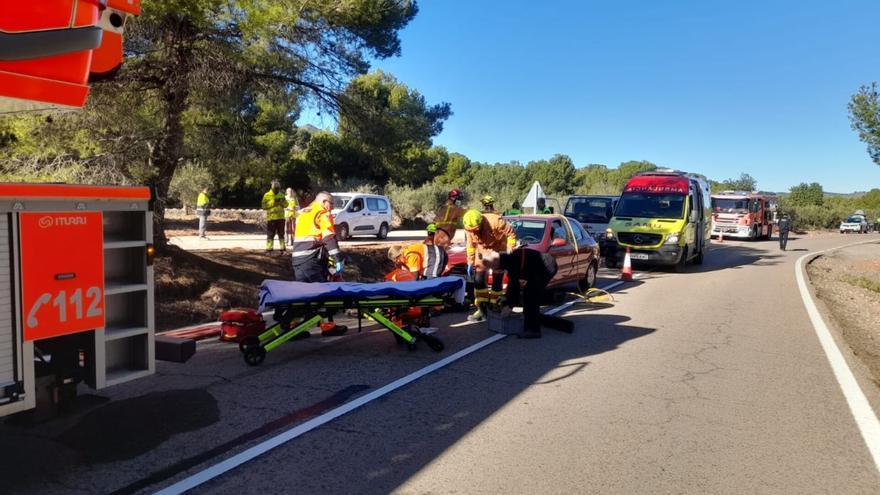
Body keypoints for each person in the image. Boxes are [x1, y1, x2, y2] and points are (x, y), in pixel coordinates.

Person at [291, 191, 346, 336]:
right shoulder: (322, 213)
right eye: (331, 203)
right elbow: (329, 237)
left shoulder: (303, 212)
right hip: (311, 260)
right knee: (322, 295)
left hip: (298, 259)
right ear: (324, 202)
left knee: (303, 296)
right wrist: (338, 259)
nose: (332, 208)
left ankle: (295, 327)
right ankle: (327, 327)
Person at [482, 249, 558, 339]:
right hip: (537, 270)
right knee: (528, 293)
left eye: (492, 267)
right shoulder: (505, 259)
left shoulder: (510, 261)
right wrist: (506, 298)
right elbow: (512, 283)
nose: (492, 269)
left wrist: (509, 305)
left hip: (547, 267)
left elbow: (514, 285)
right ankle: (531, 323)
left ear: (496, 261)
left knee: (531, 296)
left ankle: (534, 331)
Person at [463, 209, 517, 322]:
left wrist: (509, 251)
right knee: (478, 281)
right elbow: (470, 245)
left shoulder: (496, 221)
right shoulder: (468, 226)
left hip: (498, 249)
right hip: (482, 251)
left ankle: (495, 307)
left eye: (475, 230)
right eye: (471, 231)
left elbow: (511, 235)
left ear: (481, 222)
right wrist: (470, 261)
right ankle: (482, 309)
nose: (473, 233)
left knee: (497, 281)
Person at [261, 180, 288, 253]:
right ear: (272, 188)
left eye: (278, 189)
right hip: (271, 218)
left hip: (281, 218)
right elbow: (263, 206)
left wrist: (282, 202)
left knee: (281, 234)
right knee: (270, 234)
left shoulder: (281, 195)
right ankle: (269, 249)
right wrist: (273, 203)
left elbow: (286, 205)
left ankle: (283, 249)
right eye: (275, 189)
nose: (276, 190)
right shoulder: (267, 195)